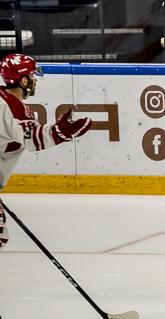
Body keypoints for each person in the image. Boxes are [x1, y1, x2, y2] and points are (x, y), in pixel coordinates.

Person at [0, 53, 92, 249]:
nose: (34, 81)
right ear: (23, 80)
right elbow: (32, 140)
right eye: (32, 77)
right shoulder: (13, 108)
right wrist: (60, 132)